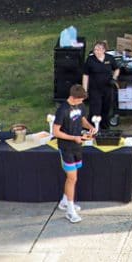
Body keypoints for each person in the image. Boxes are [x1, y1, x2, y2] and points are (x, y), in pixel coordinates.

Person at [50, 84, 94, 225]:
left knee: (74, 177)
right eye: (80, 100)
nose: (82, 103)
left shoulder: (80, 107)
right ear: (74, 98)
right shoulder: (62, 110)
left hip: (77, 146)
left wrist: (90, 127)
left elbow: (82, 120)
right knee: (72, 178)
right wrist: (72, 138)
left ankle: (64, 201)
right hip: (66, 147)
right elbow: (56, 132)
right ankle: (70, 210)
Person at [83, 42, 120, 128]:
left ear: (104, 50)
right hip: (95, 89)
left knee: (106, 108)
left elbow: (117, 69)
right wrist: (85, 89)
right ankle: (92, 128)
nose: (96, 51)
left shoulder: (109, 58)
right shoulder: (90, 60)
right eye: (95, 49)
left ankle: (104, 127)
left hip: (107, 88)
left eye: (99, 49)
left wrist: (114, 78)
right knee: (95, 110)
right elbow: (85, 75)